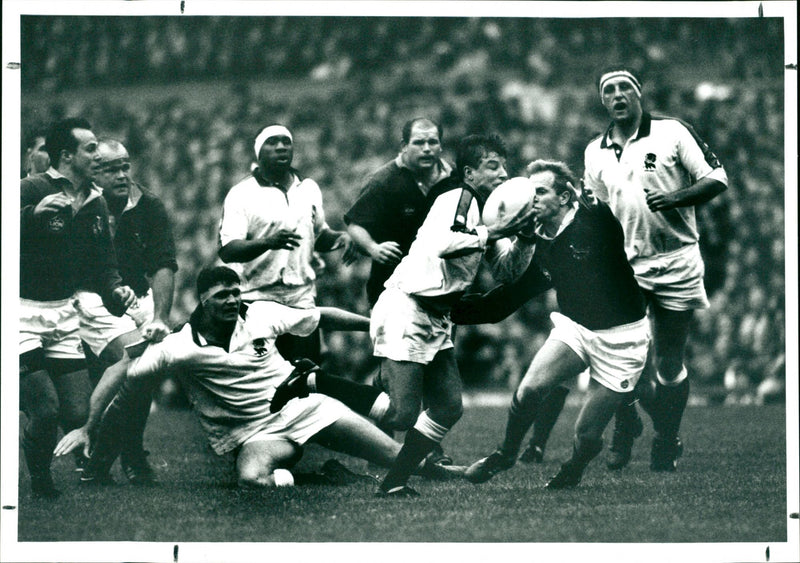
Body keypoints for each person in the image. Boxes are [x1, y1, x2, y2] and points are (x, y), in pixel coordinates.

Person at [58, 266, 458, 488]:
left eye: (235, 292)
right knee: (252, 480)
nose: (232, 300)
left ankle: (454, 473)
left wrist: (375, 327)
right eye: (222, 296)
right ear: (203, 301)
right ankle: (324, 475)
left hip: (306, 406)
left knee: (395, 456)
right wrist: (88, 428)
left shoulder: (261, 313)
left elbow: (321, 316)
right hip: (251, 433)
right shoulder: (180, 346)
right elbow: (125, 377)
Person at [461, 160, 650, 489]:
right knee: (529, 389)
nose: (531, 198)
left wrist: (593, 197)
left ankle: (575, 466)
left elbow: (606, 210)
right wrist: (444, 308)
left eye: (540, 191)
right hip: (576, 329)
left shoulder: (593, 222)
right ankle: (505, 453)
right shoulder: (538, 243)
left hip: (624, 338)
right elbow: (503, 298)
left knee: (587, 435)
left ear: (565, 197)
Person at [369, 133, 537, 497]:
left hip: (438, 316)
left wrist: (525, 238)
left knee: (447, 407)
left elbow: (508, 272)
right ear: (470, 173)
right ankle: (321, 389)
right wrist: (495, 232)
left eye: (504, 166)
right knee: (402, 414)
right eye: (493, 166)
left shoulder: (487, 214)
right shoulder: (457, 197)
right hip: (407, 306)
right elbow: (444, 243)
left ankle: (394, 482)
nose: (503, 174)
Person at [583, 65, 728, 471]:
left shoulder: (672, 132)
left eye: (623, 87)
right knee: (621, 356)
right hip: (627, 265)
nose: (617, 95)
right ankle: (626, 422)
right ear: (602, 100)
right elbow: (597, 209)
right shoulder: (595, 150)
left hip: (677, 259)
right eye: (608, 90)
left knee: (668, 364)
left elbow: (717, 178)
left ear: (638, 93)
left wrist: (679, 198)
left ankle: (666, 438)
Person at [19, 117, 136, 497]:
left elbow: (103, 263)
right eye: (90, 147)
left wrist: (117, 290)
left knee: (77, 413)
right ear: (66, 155)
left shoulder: (96, 201)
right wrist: (29, 217)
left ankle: (66, 462)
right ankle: (41, 481)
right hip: (19, 312)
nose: (97, 153)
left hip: (63, 312)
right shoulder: (30, 188)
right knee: (46, 410)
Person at [69, 138, 178, 484]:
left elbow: (163, 264)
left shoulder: (148, 205)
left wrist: (160, 316)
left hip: (137, 299)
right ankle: (123, 457)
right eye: (109, 168)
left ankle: (103, 458)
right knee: (138, 360)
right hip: (89, 299)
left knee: (146, 367)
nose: (121, 174)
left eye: (124, 166)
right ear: (91, 170)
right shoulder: (78, 205)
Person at [218, 124, 352, 364]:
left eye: (285, 141)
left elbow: (317, 236)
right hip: (257, 298)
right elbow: (229, 250)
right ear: (259, 151)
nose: (281, 147)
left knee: (306, 375)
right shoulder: (242, 193)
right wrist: (268, 243)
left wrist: (339, 238)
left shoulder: (308, 188)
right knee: (264, 380)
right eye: (272, 142)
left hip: (300, 299)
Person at [343, 117, 453, 308]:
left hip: (440, 286)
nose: (426, 148)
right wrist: (373, 248)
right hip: (392, 287)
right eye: (419, 142)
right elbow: (356, 225)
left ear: (440, 146)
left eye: (432, 142)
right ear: (404, 146)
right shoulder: (382, 181)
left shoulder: (453, 178)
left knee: (444, 338)